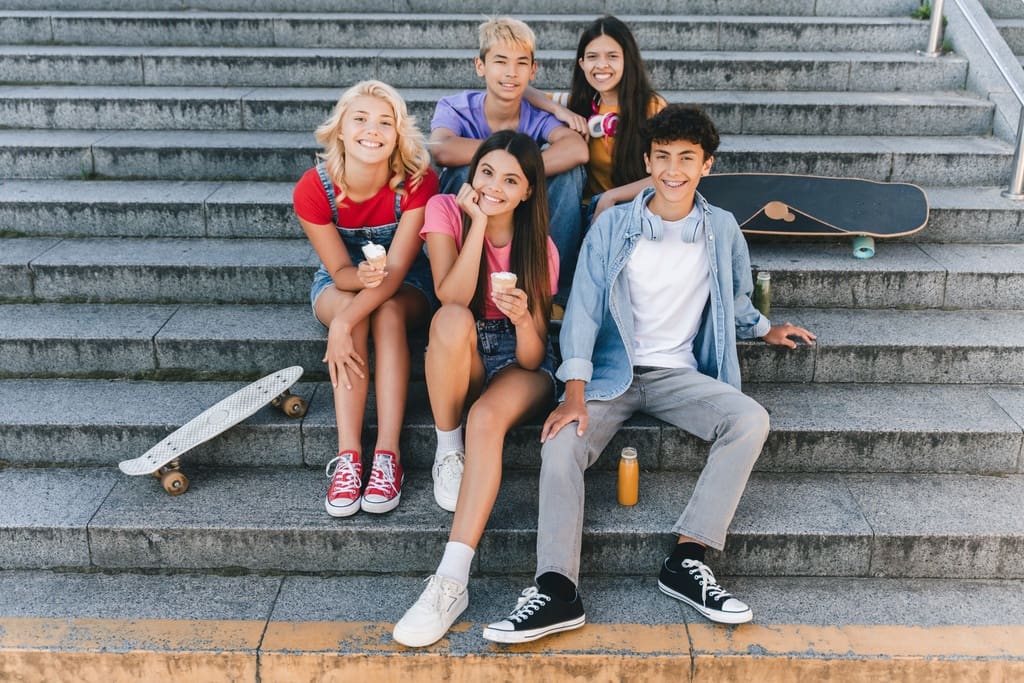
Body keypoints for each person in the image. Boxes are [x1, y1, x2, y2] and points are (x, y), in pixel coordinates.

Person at [481, 105, 817, 644]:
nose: (673, 169)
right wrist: (574, 392)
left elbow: (734, 297)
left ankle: (687, 559)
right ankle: (556, 589)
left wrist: (763, 329)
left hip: (677, 374)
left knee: (750, 419)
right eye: (663, 157)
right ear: (647, 161)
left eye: (687, 158)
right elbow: (585, 310)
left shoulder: (721, 228)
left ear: (706, 165)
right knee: (561, 445)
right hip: (612, 372)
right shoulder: (614, 225)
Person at [392, 130, 560, 648]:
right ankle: (448, 449)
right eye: (487, 172)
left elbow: (532, 357)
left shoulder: (542, 249)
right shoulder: (445, 208)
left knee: (487, 419)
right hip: (462, 344)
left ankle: (450, 580)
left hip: (517, 357)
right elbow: (452, 294)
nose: (494, 185)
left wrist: (527, 320)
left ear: (529, 191)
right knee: (448, 319)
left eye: (511, 180)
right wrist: (479, 224)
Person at [292, 80, 438, 518]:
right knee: (356, 317)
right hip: (341, 281)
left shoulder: (417, 183)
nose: (371, 130)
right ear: (340, 128)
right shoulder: (313, 189)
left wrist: (340, 324)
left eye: (384, 122)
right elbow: (338, 272)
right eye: (360, 119)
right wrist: (348, 306)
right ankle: (350, 459)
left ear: (397, 135)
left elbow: (392, 278)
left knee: (386, 312)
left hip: (404, 280)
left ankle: (388, 457)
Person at [430, 16, 587, 307]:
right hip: (470, 221)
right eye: (501, 61)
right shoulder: (456, 106)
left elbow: (577, 150)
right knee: (463, 170)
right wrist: (507, 161)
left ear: (533, 70)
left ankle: (554, 295)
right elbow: (442, 148)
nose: (511, 72)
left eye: (521, 63)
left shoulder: (536, 116)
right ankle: (458, 275)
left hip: (518, 220)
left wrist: (515, 172)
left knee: (570, 176)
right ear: (481, 66)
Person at [526, 15, 666, 225]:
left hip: (629, 210)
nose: (601, 65)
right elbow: (523, 90)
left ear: (627, 60)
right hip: (581, 212)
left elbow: (667, 174)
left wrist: (612, 197)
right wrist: (560, 110)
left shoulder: (651, 107)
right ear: (582, 63)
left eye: (612, 56)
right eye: (592, 57)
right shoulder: (580, 104)